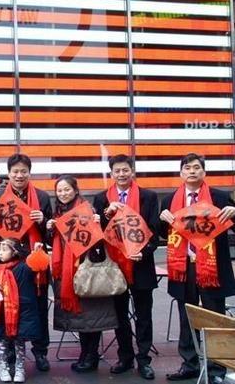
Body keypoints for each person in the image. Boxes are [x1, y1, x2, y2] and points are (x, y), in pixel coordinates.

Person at [159, 153, 235, 384]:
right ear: (181, 173)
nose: (191, 171)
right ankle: (189, 364)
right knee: (186, 317)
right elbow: (163, 235)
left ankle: (216, 369)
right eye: (187, 168)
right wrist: (163, 221)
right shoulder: (170, 200)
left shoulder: (220, 197)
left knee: (214, 318)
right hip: (183, 268)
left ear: (203, 172)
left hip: (213, 269)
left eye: (196, 167)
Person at [0, 154, 53, 372]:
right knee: (2, 304)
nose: (19, 175)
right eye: (15, 171)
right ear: (9, 173)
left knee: (38, 306)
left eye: (23, 171)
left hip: (32, 262)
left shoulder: (41, 197)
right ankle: (7, 350)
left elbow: (51, 236)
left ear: (29, 173)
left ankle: (40, 351)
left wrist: (43, 223)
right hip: (5, 262)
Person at [92, 154, 159, 380]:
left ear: (132, 171)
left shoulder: (148, 197)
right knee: (119, 315)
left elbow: (154, 230)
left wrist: (144, 251)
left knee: (143, 315)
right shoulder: (102, 199)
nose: (121, 174)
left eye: (125, 170)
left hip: (141, 264)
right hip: (114, 266)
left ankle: (144, 360)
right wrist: (106, 215)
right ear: (112, 174)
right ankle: (125, 357)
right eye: (117, 171)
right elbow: (97, 233)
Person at [47, 175, 120, 374]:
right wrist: (49, 229)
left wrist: (98, 222)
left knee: (92, 314)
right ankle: (85, 353)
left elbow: (100, 239)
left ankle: (91, 355)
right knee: (81, 317)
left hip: (87, 269)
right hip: (67, 271)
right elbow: (53, 242)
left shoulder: (88, 209)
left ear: (75, 190)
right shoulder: (57, 213)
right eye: (59, 190)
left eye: (67, 189)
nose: (63, 193)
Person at [0, 239, 46, 383]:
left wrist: (36, 252)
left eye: (5, 249)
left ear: (15, 252)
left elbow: (38, 265)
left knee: (20, 341)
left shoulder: (24, 267)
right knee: (2, 341)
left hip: (21, 311)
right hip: (1, 311)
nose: (1, 253)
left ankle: (20, 367)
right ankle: (4, 366)